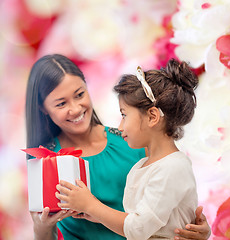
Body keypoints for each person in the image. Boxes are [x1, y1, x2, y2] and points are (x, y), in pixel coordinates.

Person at [25, 54, 211, 240]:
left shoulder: (134, 140)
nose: (75, 109)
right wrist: (41, 228)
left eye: (80, 94)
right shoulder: (47, 162)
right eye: (61, 103)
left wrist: (194, 228)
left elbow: (170, 201)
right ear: (43, 108)